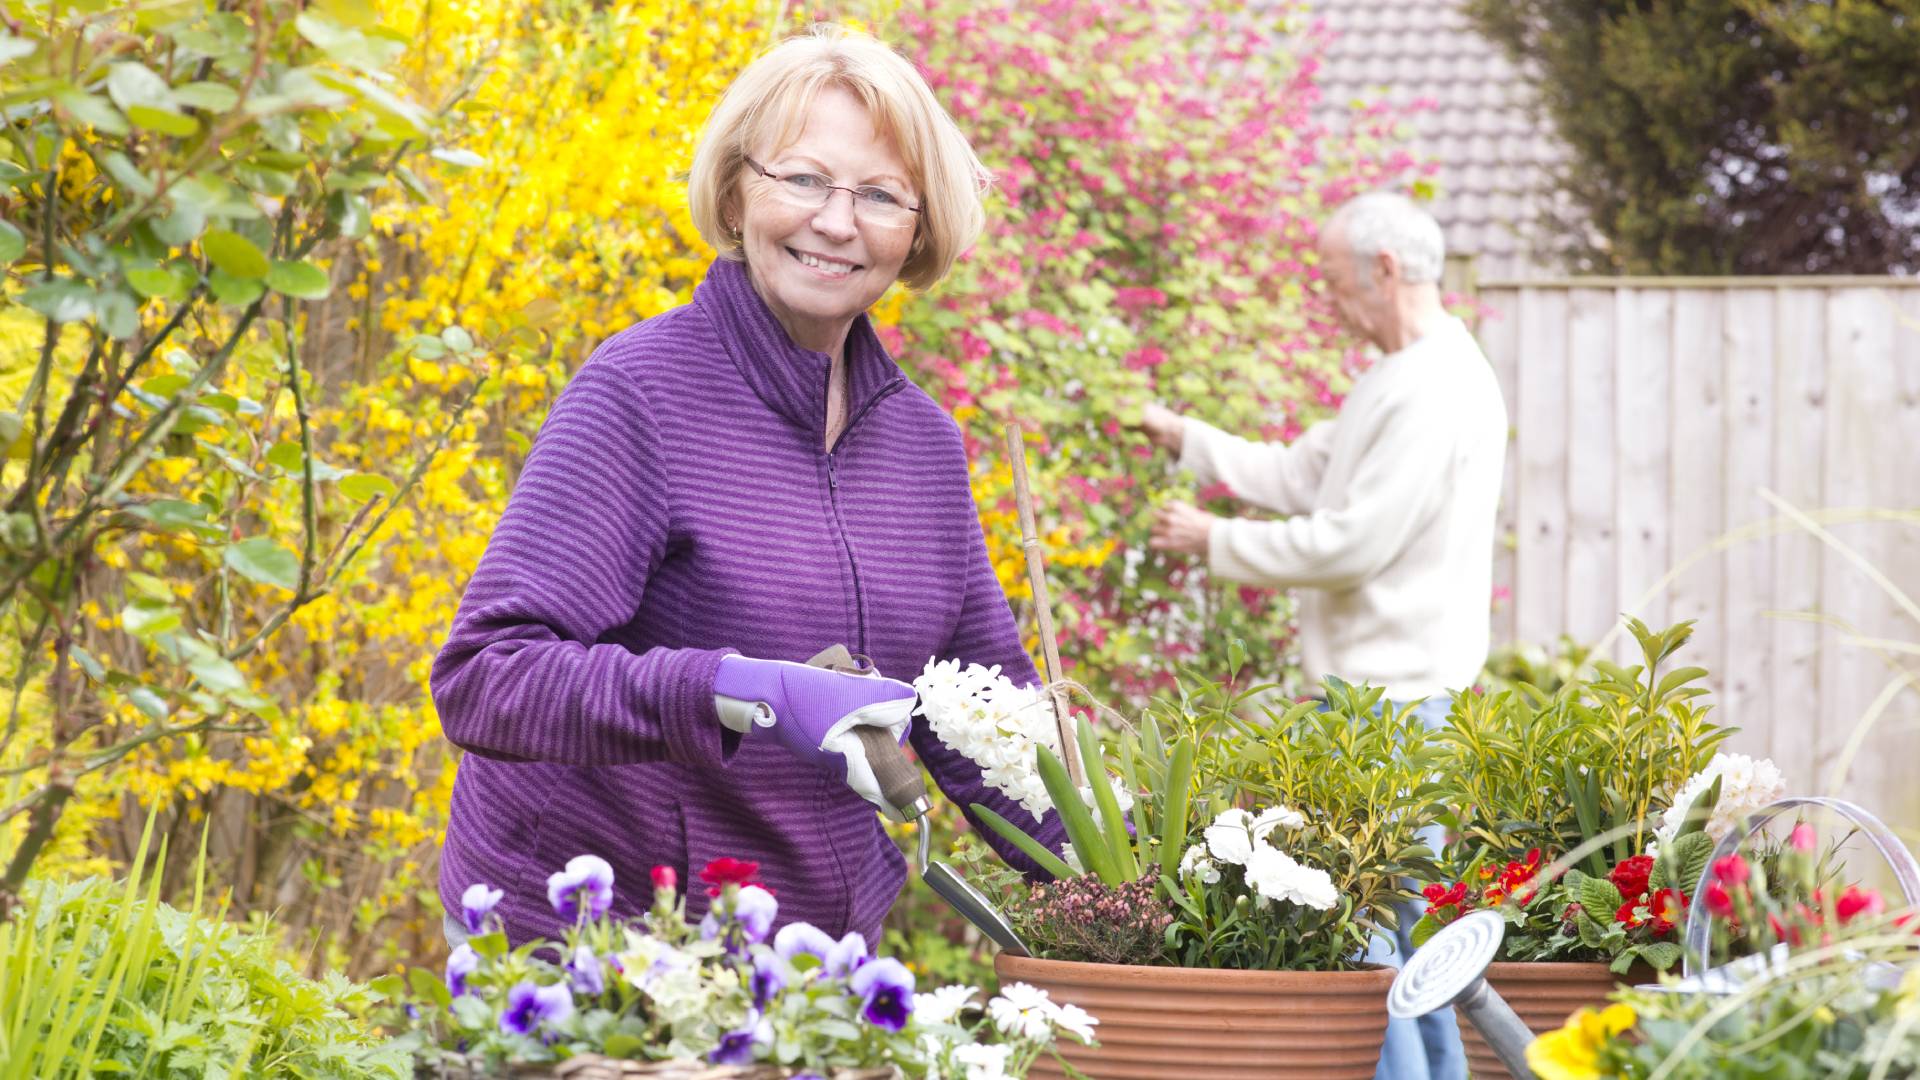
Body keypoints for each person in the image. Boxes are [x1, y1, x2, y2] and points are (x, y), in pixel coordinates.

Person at [431, 25, 1062, 949]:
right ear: (736, 190)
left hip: (811, 955)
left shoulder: (921, 445)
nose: (837, 222)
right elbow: (488, 676)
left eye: (881, 195)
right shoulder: (641, 394)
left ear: (919, 228)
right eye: (803, 179)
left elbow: (985, 724)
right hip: (598, 942)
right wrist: (732, 691)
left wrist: (1155, 887)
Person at [1137, 191, 1505, 1080]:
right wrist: (1189, 439)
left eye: (1337, 282)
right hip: (1381, 700)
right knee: (1401, 939)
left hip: (1397, 706)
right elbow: (1307, 474)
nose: (1330, 302)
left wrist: (1212, 539)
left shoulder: (1438, 389)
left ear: (1385, 270)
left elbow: (1350, 544)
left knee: (1361, 940)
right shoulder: (1399, 374)